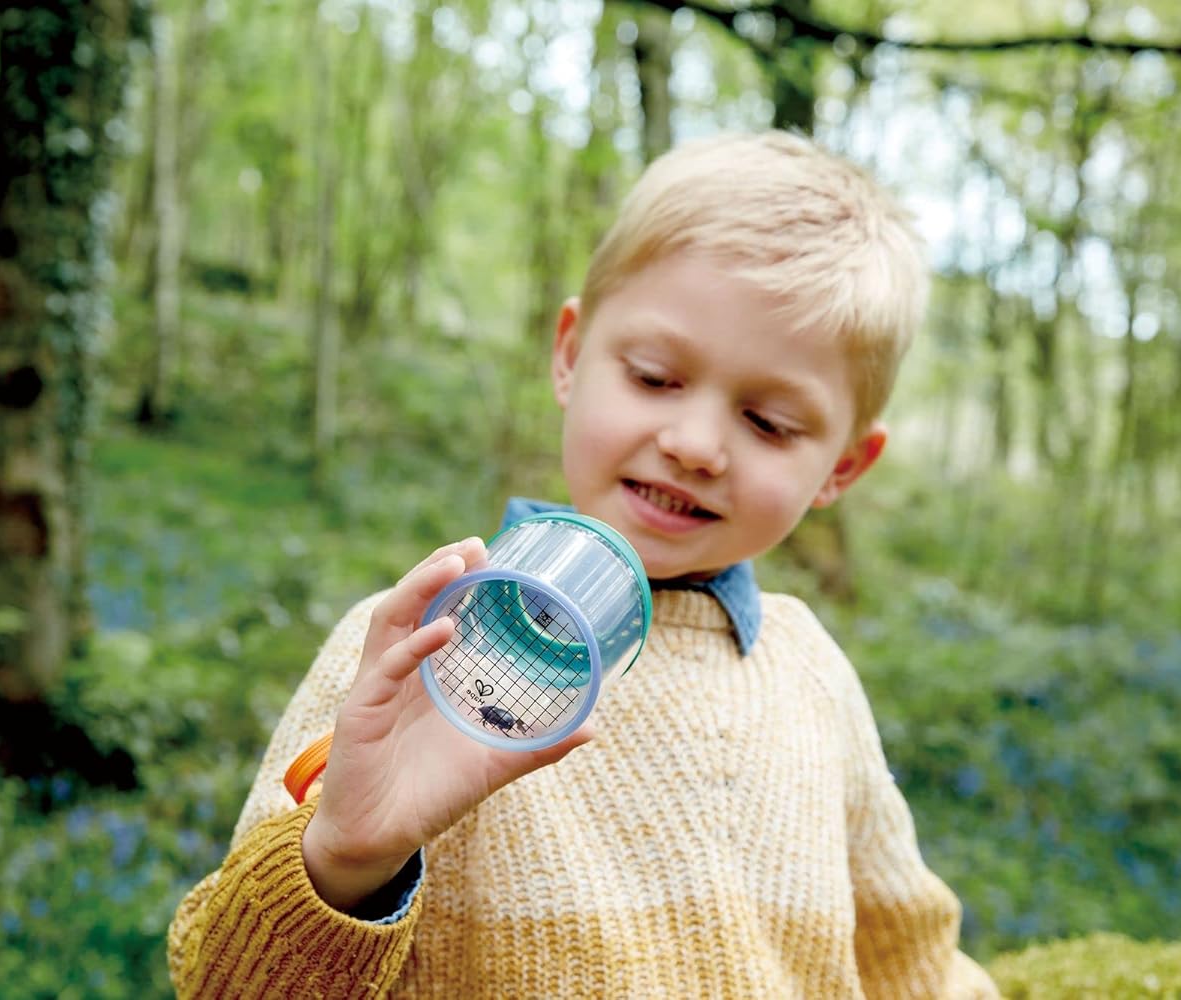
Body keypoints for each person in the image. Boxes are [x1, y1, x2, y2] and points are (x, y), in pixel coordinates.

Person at [167, 131, 998, 998]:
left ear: (842, 468)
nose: (695, 444)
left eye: (769, 424)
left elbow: (915, 961)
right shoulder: (418, 648)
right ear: (570, 355)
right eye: (654, 378)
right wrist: (344, 857)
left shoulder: (811, 676)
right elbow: (226, 984)